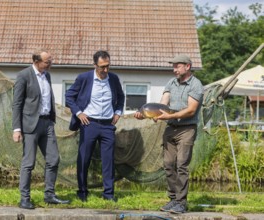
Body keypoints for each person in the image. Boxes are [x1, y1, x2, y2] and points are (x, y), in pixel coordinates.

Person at [134, 54, 204, 214]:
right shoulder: (171, 83)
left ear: (187, 67)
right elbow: (162, 104)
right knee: (168, 164)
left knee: (181, 165)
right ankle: (173, 199)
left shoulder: (196, 85)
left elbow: (191, 110)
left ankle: (181, 202)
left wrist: (169, 116)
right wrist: (145, 114)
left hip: (187, 129)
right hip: (170, 128)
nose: (174, 69)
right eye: (173, 66)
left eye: (177, 66)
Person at [12, 49, 70, 209]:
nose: (50, 64)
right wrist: (16, 129)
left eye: (50, 61)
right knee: (28, 163)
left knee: (53, 159)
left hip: (47, 123)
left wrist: (51, 119)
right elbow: (17, 104)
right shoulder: (24, 75)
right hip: (30, 125)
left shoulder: (47, 75)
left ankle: (49, 195)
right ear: (37, 61)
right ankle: (24, 198)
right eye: (47, 61)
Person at [65, 50, 125, 202]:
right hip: (88, 123)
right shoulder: (84, 78)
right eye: (102, 67)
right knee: (84, 159)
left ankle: (109, 194)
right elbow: (69, 96)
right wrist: (79, 113)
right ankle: (82, 192)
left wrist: (118, 112)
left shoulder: (113, 78)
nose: (105, 70)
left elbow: (121, 96)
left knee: (108, 160)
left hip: (107, 125)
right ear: (95, 65)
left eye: (108, 66)